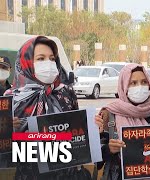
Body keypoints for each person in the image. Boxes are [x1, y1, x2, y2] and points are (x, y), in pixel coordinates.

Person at [7, 36, 103, 180]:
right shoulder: (11, 99)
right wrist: (6, 130)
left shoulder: (66, 92)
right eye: (40, 59)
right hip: (29, 175)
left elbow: (77, 132)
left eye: (52, 59)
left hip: (67, 174)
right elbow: (7, 147)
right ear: (26, 62)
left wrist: (93, 128)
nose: (49, 63)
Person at [95, 63, 150, 180]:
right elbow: (95, 162)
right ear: (124, 86)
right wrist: (109, 149)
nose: (140, 87)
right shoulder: (108, 115)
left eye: (144, 82)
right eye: (133, 83)